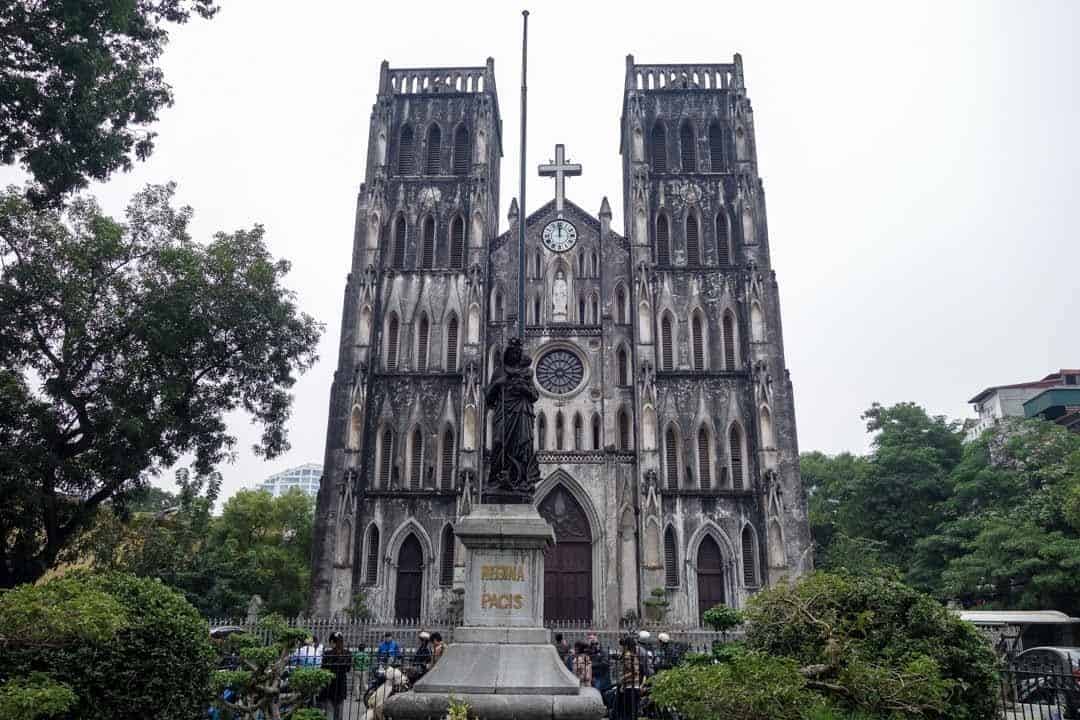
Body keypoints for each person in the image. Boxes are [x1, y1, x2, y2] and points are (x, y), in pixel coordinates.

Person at [320, 632, 351, 720]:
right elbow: (348, 669)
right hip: (341, 685)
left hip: (329, 685)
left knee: (329, 712)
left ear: (332, 642)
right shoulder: (347, 653)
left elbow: (323, 669)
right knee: (339, 713)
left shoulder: (327, 653)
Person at [615, 636, 641, 720]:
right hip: (634, 686)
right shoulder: (634, 655)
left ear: (626, 646)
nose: (621, 648)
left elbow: (634, 671)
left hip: (629, 686)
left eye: (622, 645)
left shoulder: (628, 656)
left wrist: (622, 679)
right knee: (633, 713)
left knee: (627, 713)